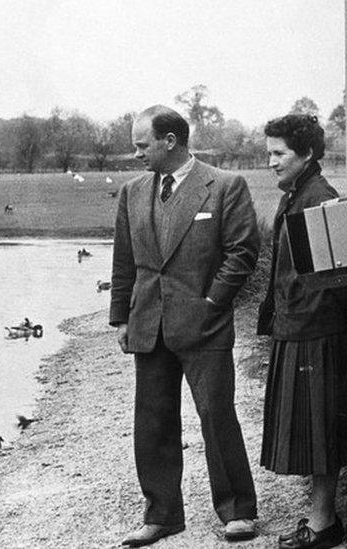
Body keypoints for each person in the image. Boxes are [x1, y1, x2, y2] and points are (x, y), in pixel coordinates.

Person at [110, 104, 261, 546]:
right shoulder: (132, 192)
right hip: (148, 325)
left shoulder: (225, 186)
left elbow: (242, 254)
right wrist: (121, 316)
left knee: (216, 417)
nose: (136, 154)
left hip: (205, 326)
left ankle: (238, 511)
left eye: (142, 145)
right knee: (152, 422)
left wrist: (211, 302)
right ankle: (162, 515)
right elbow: (125, 262)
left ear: (169, 141)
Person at [257, 114, 347, 549]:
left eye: (278, 153)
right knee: (312, 431)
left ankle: (324, 525)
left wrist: (309, 322)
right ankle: (321, 519)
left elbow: (337, 276)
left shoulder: (319, 199)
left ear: (306, 154)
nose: (270, 162)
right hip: (299, 326)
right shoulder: (298, 194)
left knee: (320, 433)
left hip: (315, 332)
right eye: (268, 153)